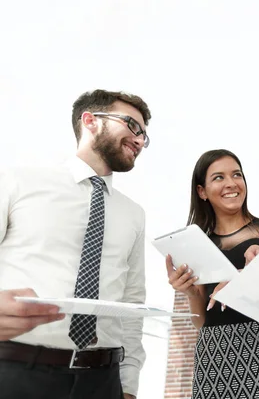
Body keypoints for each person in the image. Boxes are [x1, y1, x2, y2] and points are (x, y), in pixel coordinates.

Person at [0, 89, 151, 399]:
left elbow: (132, 304)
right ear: (90, 121)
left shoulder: (134, 214)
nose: (140, 140)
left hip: (103, 382)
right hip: (15, 371)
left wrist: (129, 384)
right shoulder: (17, 182)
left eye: (145, 136)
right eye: (132, 126)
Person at [165, 149, 259, 399]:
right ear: (201, 191)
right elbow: (202, 321)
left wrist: (247, 278)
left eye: (237, 174)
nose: (231, 183)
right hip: (215, 356)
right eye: (219, 177)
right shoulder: (195, 244)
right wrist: (191, 293)